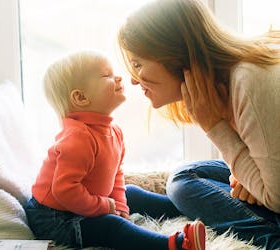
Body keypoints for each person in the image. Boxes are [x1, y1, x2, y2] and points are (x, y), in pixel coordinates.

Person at [117, 0, 280, 249]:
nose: (132, 79)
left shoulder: (246, 81)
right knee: (188, 175)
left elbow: (276, 198)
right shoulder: (230, 81)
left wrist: (214, 127)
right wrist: (244, 178)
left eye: (138, 64)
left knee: (183, 183)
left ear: (172, 54)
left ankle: (270, 238)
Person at [25, 50, 206, 250]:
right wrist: (103, 207)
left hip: (83, 202)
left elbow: (115, 175)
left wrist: (119, 205)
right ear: (81, 97)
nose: (119, 77)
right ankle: (176, 245)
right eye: (107, 76)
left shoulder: (113, 131)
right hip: (55, 218)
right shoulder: (77, 139)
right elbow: (65, 190)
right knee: (112, 227)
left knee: (132, 193)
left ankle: (190, 208)